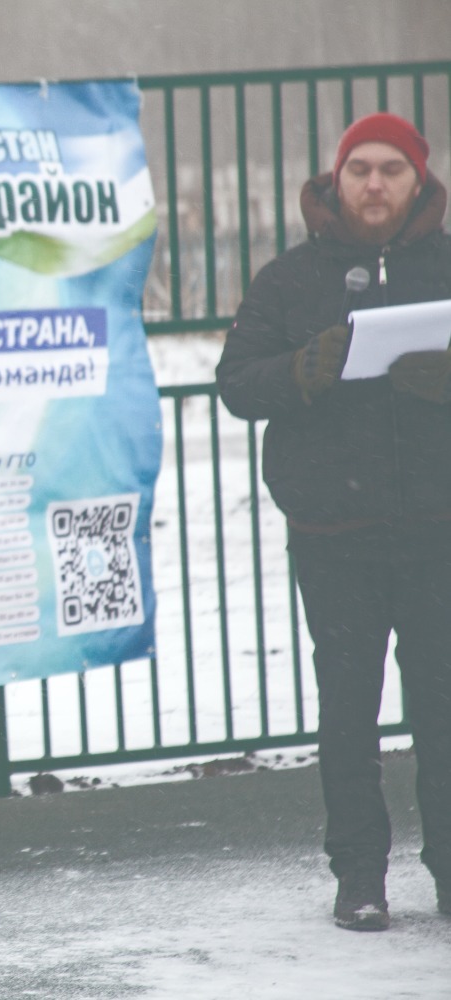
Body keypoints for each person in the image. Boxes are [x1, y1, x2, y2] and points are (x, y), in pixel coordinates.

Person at [217, 112, 451, 930]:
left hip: (439, 533)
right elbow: (237, 383)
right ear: (336, 178)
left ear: (418, 180)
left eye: (392, 168)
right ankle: (359, 878)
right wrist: (302, 370)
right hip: (334, 539)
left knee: (444, 709)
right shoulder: (290, 278)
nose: (375, 183)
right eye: (360, 169)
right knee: (348, 713)